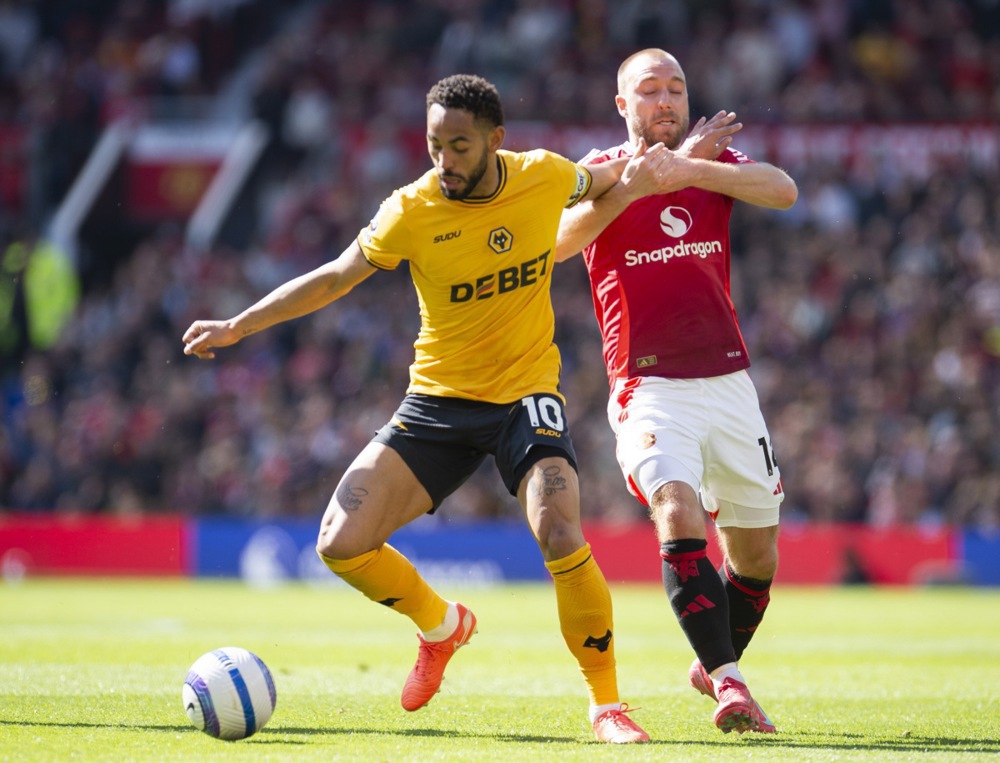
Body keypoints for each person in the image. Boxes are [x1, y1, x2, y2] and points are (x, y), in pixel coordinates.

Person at [182, 74, 653, 744]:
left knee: (558, 528)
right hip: (438, 400)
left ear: (496, 139)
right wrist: (239, 323)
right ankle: (441, 625)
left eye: (459, 145)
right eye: (435, 145)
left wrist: (659, 162)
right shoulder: (411, 209)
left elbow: (605, 182)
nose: (445, 161)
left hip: (525, 395)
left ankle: (607, 704)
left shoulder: (545, 176)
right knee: (339, 543)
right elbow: (336, 275)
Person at [555, 49, 798, 735]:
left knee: (755, 561)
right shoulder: (599, 172)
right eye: (648, 90)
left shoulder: (714, 162)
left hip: (728, 380)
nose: (664, 100)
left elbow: (783, 191)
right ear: (621, 104)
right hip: (649, 381)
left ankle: (712, 660)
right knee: (676, 507)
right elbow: (557, 241)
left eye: (675, 88)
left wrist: (689, 167)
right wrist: (636, 185)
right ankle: (729, 681)